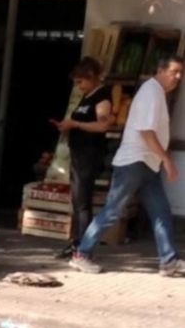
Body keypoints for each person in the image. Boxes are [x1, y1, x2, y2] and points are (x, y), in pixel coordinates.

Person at [71, 55, 185, 277]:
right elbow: (146, 131)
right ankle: (81, 254)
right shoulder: (151, 92)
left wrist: (160, 159)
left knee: (160, 211)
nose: (178, 77)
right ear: (161, 70)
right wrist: (167, 159)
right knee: (113, 211)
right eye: (174, 72)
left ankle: (169, 261)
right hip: (135, 162)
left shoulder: (156, 93)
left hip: (147, 164)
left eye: (181, 73)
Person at [52, 57, 113, 260]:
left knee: (83, 203)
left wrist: (76, 125)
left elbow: (102, 125)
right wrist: (68, 127)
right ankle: (76, 242)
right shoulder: (87, 97)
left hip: (90, 155)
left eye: (81, 82)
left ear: (92, 77)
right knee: (77, 200)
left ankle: (83, 246)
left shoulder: (102, 97)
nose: (78, 86)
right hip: (78, 154)